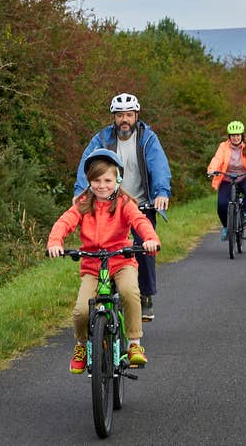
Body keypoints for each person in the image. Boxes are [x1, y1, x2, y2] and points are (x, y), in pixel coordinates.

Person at [49, 149, 160, 374]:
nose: (102, 185)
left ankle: (134, 344)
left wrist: (150, 239)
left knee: (130, 292)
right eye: (96, 180)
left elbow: (140, 221)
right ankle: (81, 346)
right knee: (81, 310)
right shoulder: (82, 203)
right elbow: (65, 221)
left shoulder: (125, 202)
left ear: (117, 179)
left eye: (107, 180)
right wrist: (55, 241)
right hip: (92, 265)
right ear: (89, 182)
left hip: (121, 260)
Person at [74, 93, 171, 322]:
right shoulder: (102, 139)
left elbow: (159, 166)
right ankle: (103, 294)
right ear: (113, 117)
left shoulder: (148, 138)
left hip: (140, 204)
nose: (124, 119)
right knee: (102, 249)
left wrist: (161, 193)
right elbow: (86, 165)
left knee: (143, 249)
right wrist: (80, 192)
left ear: (136, 115)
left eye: (128, 115)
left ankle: (145, 295)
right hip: (107, 203)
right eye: (119, 115)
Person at [207, 120, 246, 241]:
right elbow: (217, 159)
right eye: (233, 135)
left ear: (242, 136)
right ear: (229, 136)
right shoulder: (223, 147)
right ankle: (226, 227)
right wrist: (212, 169)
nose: (235, 138)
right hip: (227, 178)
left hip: (244, 176)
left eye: (238, 135)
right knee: (221, 205)